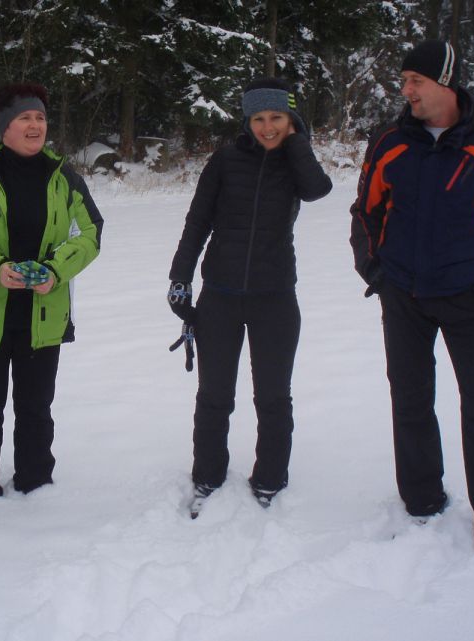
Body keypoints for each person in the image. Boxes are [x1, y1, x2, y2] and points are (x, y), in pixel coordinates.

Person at [350, 40, 474, 557]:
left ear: (446, 82)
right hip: (403, 296)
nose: (406, 91)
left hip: (469, 297)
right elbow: (365, 210)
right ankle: (421, 503)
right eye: (403, 81)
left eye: (415, 81)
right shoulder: (389, 140)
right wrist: (373, 267)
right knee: (410, 402)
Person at [168, 77, 332, 517]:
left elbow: (318, 189)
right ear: (247, 120)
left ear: (292, 119)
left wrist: (297, 145)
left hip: (275, 297)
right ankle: (208, 475)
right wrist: (180, 278)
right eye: (258, 118)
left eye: (277, 117)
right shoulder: (224, 161)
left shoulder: (297, 164)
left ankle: (271, 478)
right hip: (219, 295)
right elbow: (197, 222)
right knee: (214, 394)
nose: (267, 127)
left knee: (273, 395)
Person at [0, 83, 103, 501]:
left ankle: (35, 484)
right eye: (25, 118)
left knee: (35, 406)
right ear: (3, 128)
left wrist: (54, 270)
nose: (35, 125)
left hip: (44, 310)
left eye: (41, 117)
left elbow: (91, 233)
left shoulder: (64, 177)